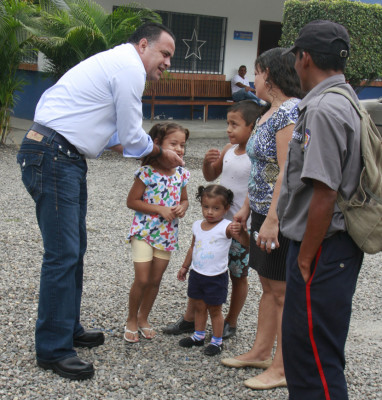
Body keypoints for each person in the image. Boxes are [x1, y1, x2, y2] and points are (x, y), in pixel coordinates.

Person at [16, 22, 181, 380]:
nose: (167, 62)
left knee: (73, 250)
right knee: (63, 254)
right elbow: (133, 134)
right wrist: (158, 152)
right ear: (143, 45)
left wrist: (146, 149)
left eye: (170, 56)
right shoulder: (128, 69)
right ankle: (53, 349)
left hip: (61, 155)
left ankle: (67, 328)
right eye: (164, 53)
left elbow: (113, 135)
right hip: (54, 155)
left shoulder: (115, 64)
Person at [278, 20, 364, 399]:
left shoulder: (324, 110)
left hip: (323, 247)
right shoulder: (345, 99)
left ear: (305, 57)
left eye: (296, 57)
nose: (295, 65)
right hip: (331, 246)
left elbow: (324, 193)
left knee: (312, 357)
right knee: (311, 350)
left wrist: (305, 258)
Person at [221, 47, 302, 391]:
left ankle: (282, 367)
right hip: (259, 210)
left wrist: (271, 219)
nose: (253, 78)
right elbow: (260, 168)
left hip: (278, 215)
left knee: (281, 291)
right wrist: (246, 208)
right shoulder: (270, 112)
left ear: (269, 73)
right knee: (268, 287)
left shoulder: (290, 112)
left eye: (256, 72)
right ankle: (260, 351)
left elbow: (287, 170)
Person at [162, 100, 266, 339]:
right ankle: (190, 319)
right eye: (228, 123)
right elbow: (212, 175)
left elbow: (258, 187)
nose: (228, 129)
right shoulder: (230, 149)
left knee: (238, 274)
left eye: (234, 124)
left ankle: (231, 320)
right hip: (213, 225)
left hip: (239, 227)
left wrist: (247, 217)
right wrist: (208, 163)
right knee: (202, 268)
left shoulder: (257, 155)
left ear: (252, 126)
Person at [124, 122, 190, 343]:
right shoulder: (146, 172)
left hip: (167, 235)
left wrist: (183, 207)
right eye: (174, 143)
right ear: (157, 144)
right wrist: (159, 209)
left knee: (155, 280)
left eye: (183, 144)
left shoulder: (182, 173)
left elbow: (185, 200)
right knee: (142, 279)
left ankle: (144, 318)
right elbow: (131, 201)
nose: (180, 149)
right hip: (143, 232)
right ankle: (131, 319)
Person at [177, 185, 249, 356]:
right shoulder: (197, 225)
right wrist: (185, 266)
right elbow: (193, 247)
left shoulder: (227, 227)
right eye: (206, 207)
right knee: (199, 307)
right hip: (197, 274)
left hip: (216, 276)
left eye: (216, 208)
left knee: (215, 310)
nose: (210, 212)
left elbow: (246, 243)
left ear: (226, 209)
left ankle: (217, 341)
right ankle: (198, 336)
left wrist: (242, 231)